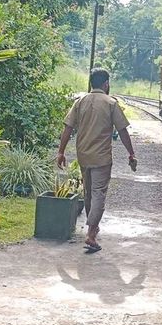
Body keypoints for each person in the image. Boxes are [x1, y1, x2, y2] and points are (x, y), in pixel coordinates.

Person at [57, 68, 136, 253]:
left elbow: (67, 128)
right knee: (98, 193)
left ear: (92, 82)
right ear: (106, 83)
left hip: (83, 156)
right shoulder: (111, 103)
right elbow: (123, 131)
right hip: (101, 157)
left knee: (88, 193)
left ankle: (93, 227)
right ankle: (91, 234)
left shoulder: (80, 102)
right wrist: (131, 153)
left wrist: (61, 152)